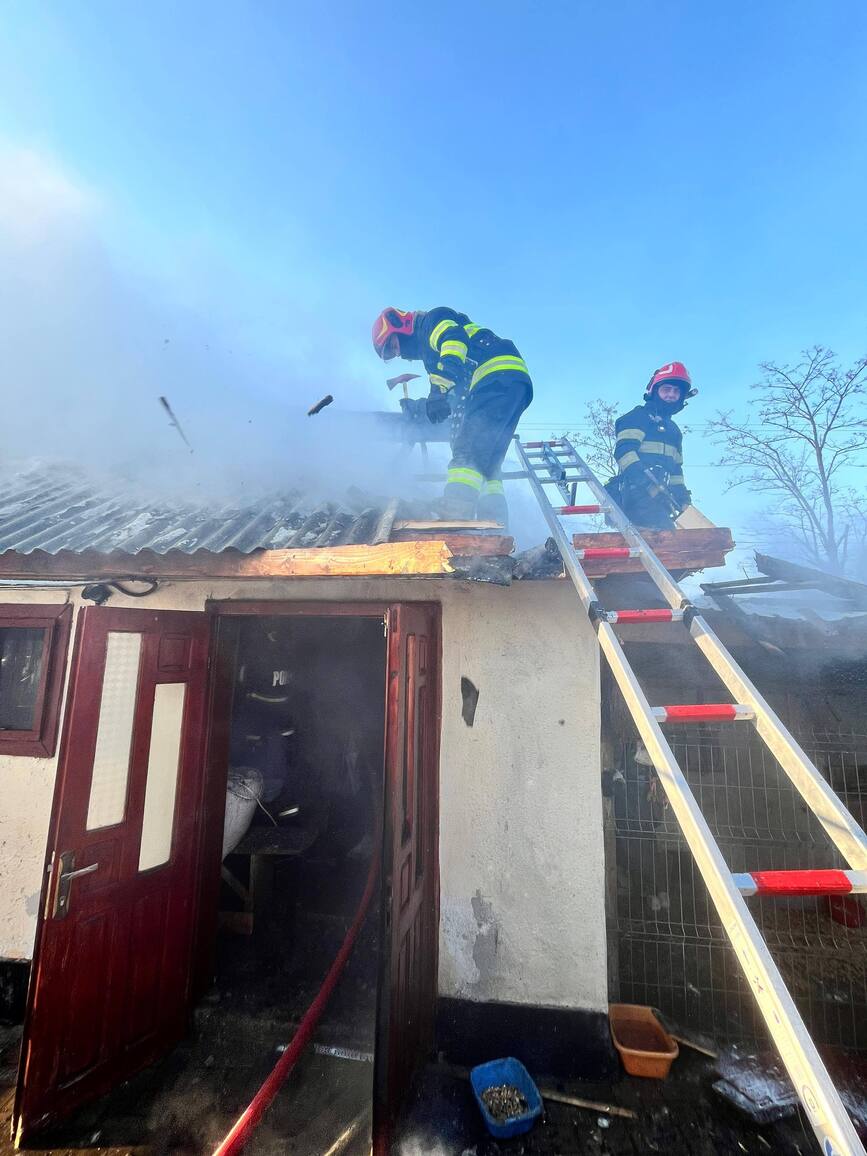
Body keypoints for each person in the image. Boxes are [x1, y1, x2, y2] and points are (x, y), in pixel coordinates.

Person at [372, 306, 533, 525]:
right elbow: (456, 396)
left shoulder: (432, 322)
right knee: (488, 463)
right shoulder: (434, 357)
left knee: (466, 451)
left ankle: (455, 511)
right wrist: (422, 408)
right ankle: (494, 523)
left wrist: (437, 390)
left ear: (401, 326)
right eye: (391, 353)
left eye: (392, 345)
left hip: (493, 375)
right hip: (511, 383)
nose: (397, 352)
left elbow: (454, 340)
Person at [607, 361, 697, 529]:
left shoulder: (674, 431)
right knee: (666, 535)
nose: (671, 394)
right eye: (666, 389)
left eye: (676, 391)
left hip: (660, 501)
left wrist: (683, 500)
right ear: (654, 391)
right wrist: (646, 483)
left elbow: (676, 470)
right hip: (635, 495)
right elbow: (624, 452)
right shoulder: (637, 417)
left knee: (683, 537)